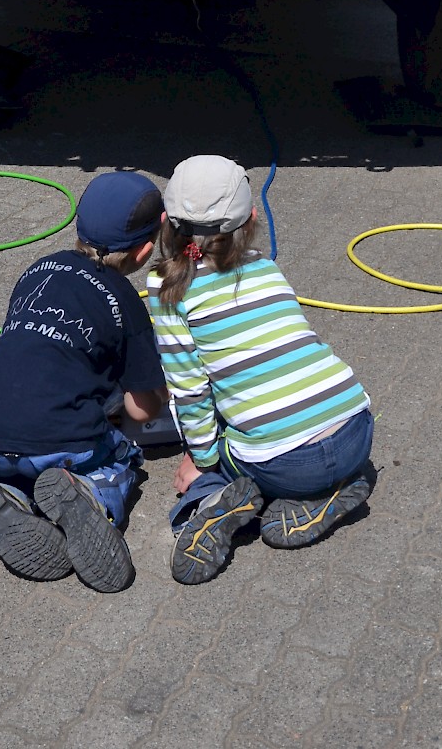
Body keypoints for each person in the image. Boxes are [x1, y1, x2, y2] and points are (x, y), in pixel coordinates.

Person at [147, 155, 374, 585]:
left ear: (165, 221)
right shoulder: (266, 267)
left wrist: (201, 459)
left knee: (218, 448)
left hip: (283, 461)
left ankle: (211, 499)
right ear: (251, 218)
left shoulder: (165, 288)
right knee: (287, 426)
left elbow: (189, 389)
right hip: (356, 429)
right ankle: (329, 491)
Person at [0, 170, 167, 593]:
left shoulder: (39, 269)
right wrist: (156, 393)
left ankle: (9, 492)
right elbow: (143, 409)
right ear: (144, 251)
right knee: (121, 456)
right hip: (62, 439)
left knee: (26, 451)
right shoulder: (124, 302)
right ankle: (91, 493)